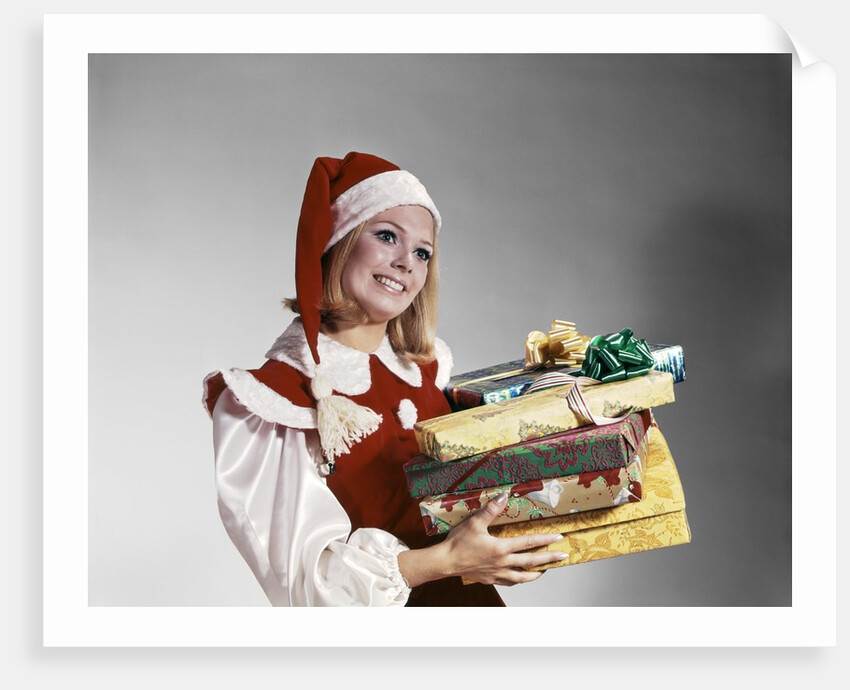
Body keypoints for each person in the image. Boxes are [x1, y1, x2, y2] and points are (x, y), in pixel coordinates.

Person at [202, 151, 567, 606]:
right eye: (387, 236)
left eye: (422, 252)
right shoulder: (271, 400)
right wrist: (446, 562)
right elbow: (304, 588)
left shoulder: (429, 372)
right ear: (339, 240)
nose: (406, 263)